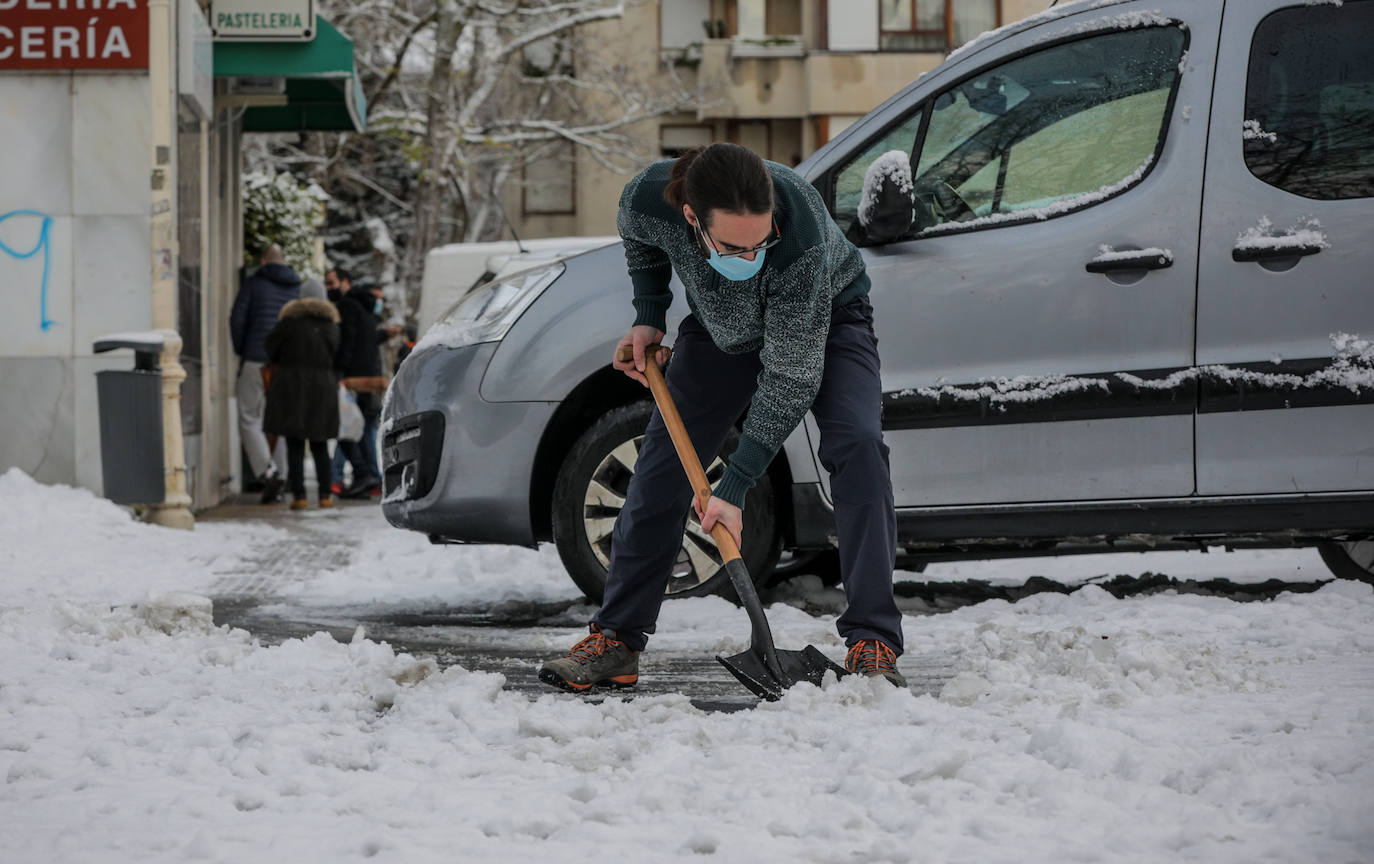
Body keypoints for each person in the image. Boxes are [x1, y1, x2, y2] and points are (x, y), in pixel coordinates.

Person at [539, 143, 906, 692]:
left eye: (762, 242)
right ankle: (617, 639)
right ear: (691, 216)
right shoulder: (646, 199)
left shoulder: (797, 231)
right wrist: (649, 316)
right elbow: (642, 244)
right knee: (661, 463)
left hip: (828, 318)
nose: (751, 253)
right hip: (722, 331)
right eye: (735, 246)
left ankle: (871, 641)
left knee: (857, 447)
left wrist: (732, 488)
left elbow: (790, 378)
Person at [230, 245, 301, 503]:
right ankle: (281, 474)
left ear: (262, 261)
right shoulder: (296, 286)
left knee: (249, 417)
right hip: (284, 363)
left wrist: (243, 349)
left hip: (256, 359)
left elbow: (237, 319)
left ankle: (266, 471)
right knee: (278, 420)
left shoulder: (254, 283)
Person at [262, 279, 341, 510]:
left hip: (291, 386)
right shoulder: (331, 325)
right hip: (322, 387)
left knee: (294, 443)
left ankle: (299, 496)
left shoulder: (288, 323)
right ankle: (325, 495)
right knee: (320, 444)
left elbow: (270, 349)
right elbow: (338, 353)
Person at [333, 276, 396, 499]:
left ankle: (363, 474)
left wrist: (340, 370)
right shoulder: (368, 313)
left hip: (352, 378)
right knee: (359, 429)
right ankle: (366, 475)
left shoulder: (349, 307)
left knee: (348, 429)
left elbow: (348, 340)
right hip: (367, 378)